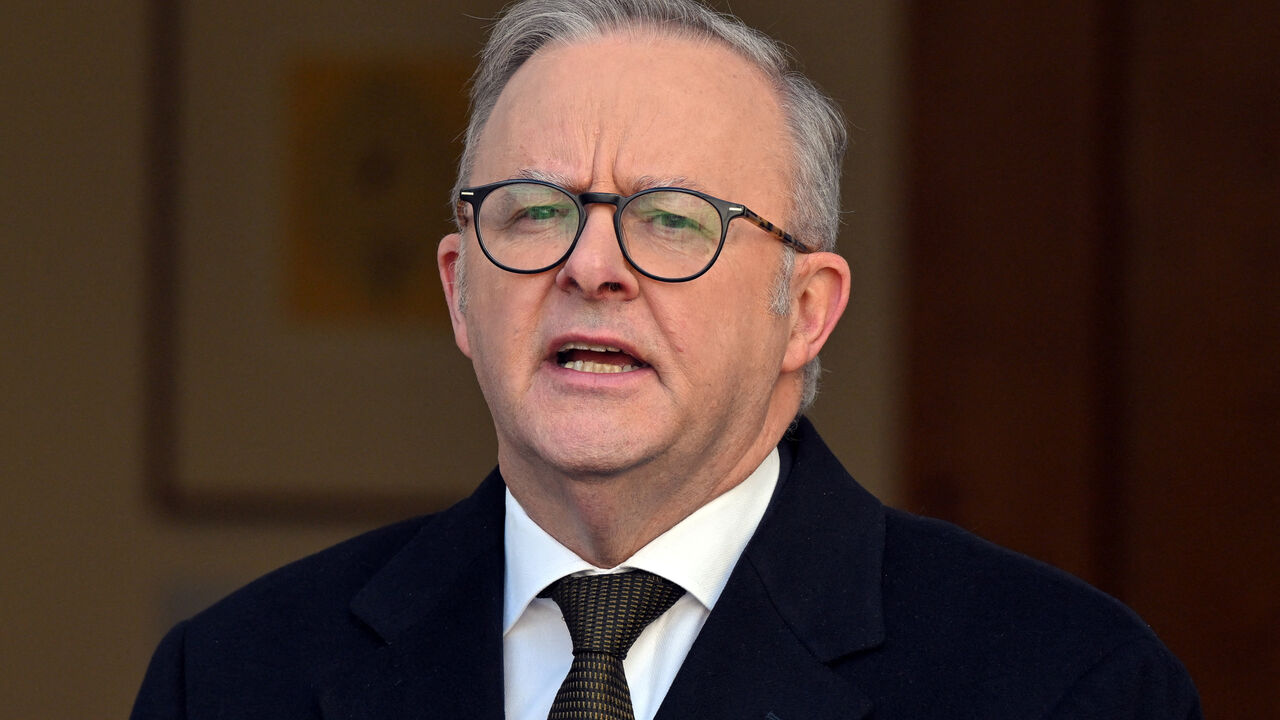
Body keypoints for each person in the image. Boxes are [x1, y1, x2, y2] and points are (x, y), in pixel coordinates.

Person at [131, 0, 1201, 718]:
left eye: (674, 221)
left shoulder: (1065, 685)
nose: (591, 266)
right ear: (460, 290)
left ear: (804, 311)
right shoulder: (231, 678)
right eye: (536, 210)